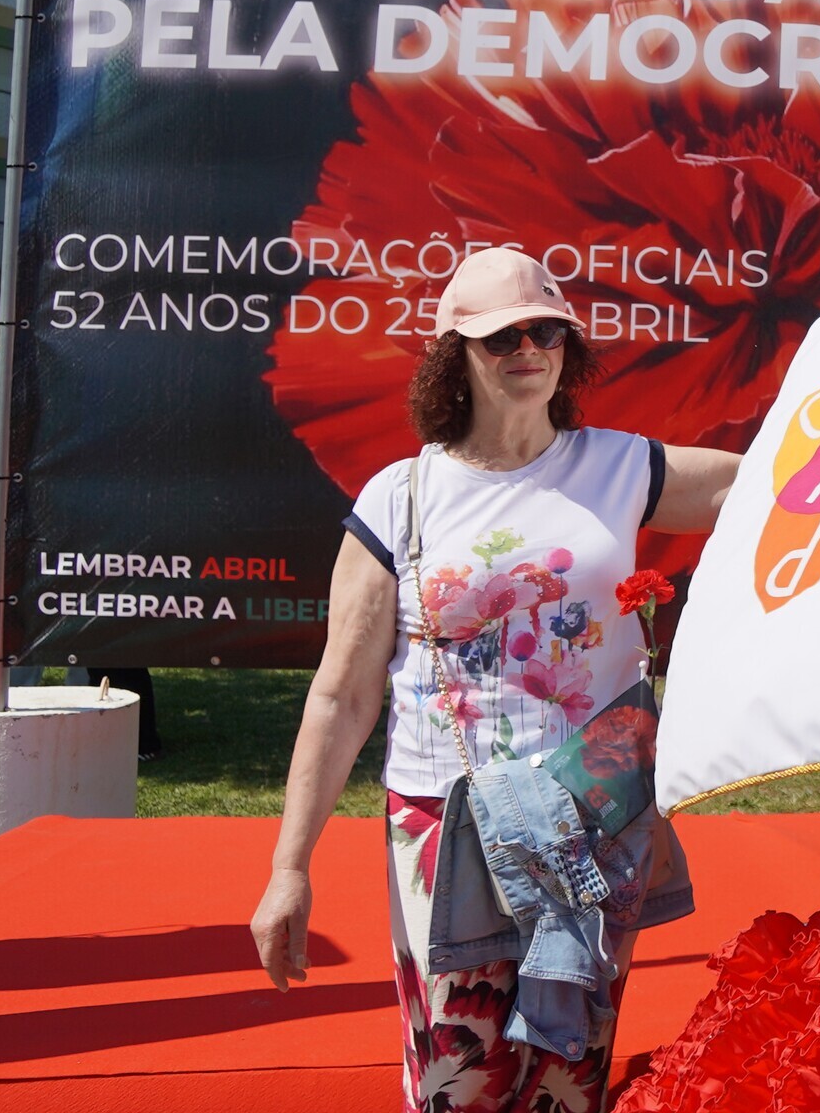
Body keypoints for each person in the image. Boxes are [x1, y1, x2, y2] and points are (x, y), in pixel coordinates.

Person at [249, 248, 742, 1112]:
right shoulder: (400, 498)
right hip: (446, 816)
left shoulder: (623, 466)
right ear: (456, 354)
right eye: (502, 335)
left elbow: (774, 482)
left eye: (547, 330)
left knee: (572, 1069)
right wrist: (289, 866)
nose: (529, 349)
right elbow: (341, 696)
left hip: (594, 810)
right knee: (460, 1070)